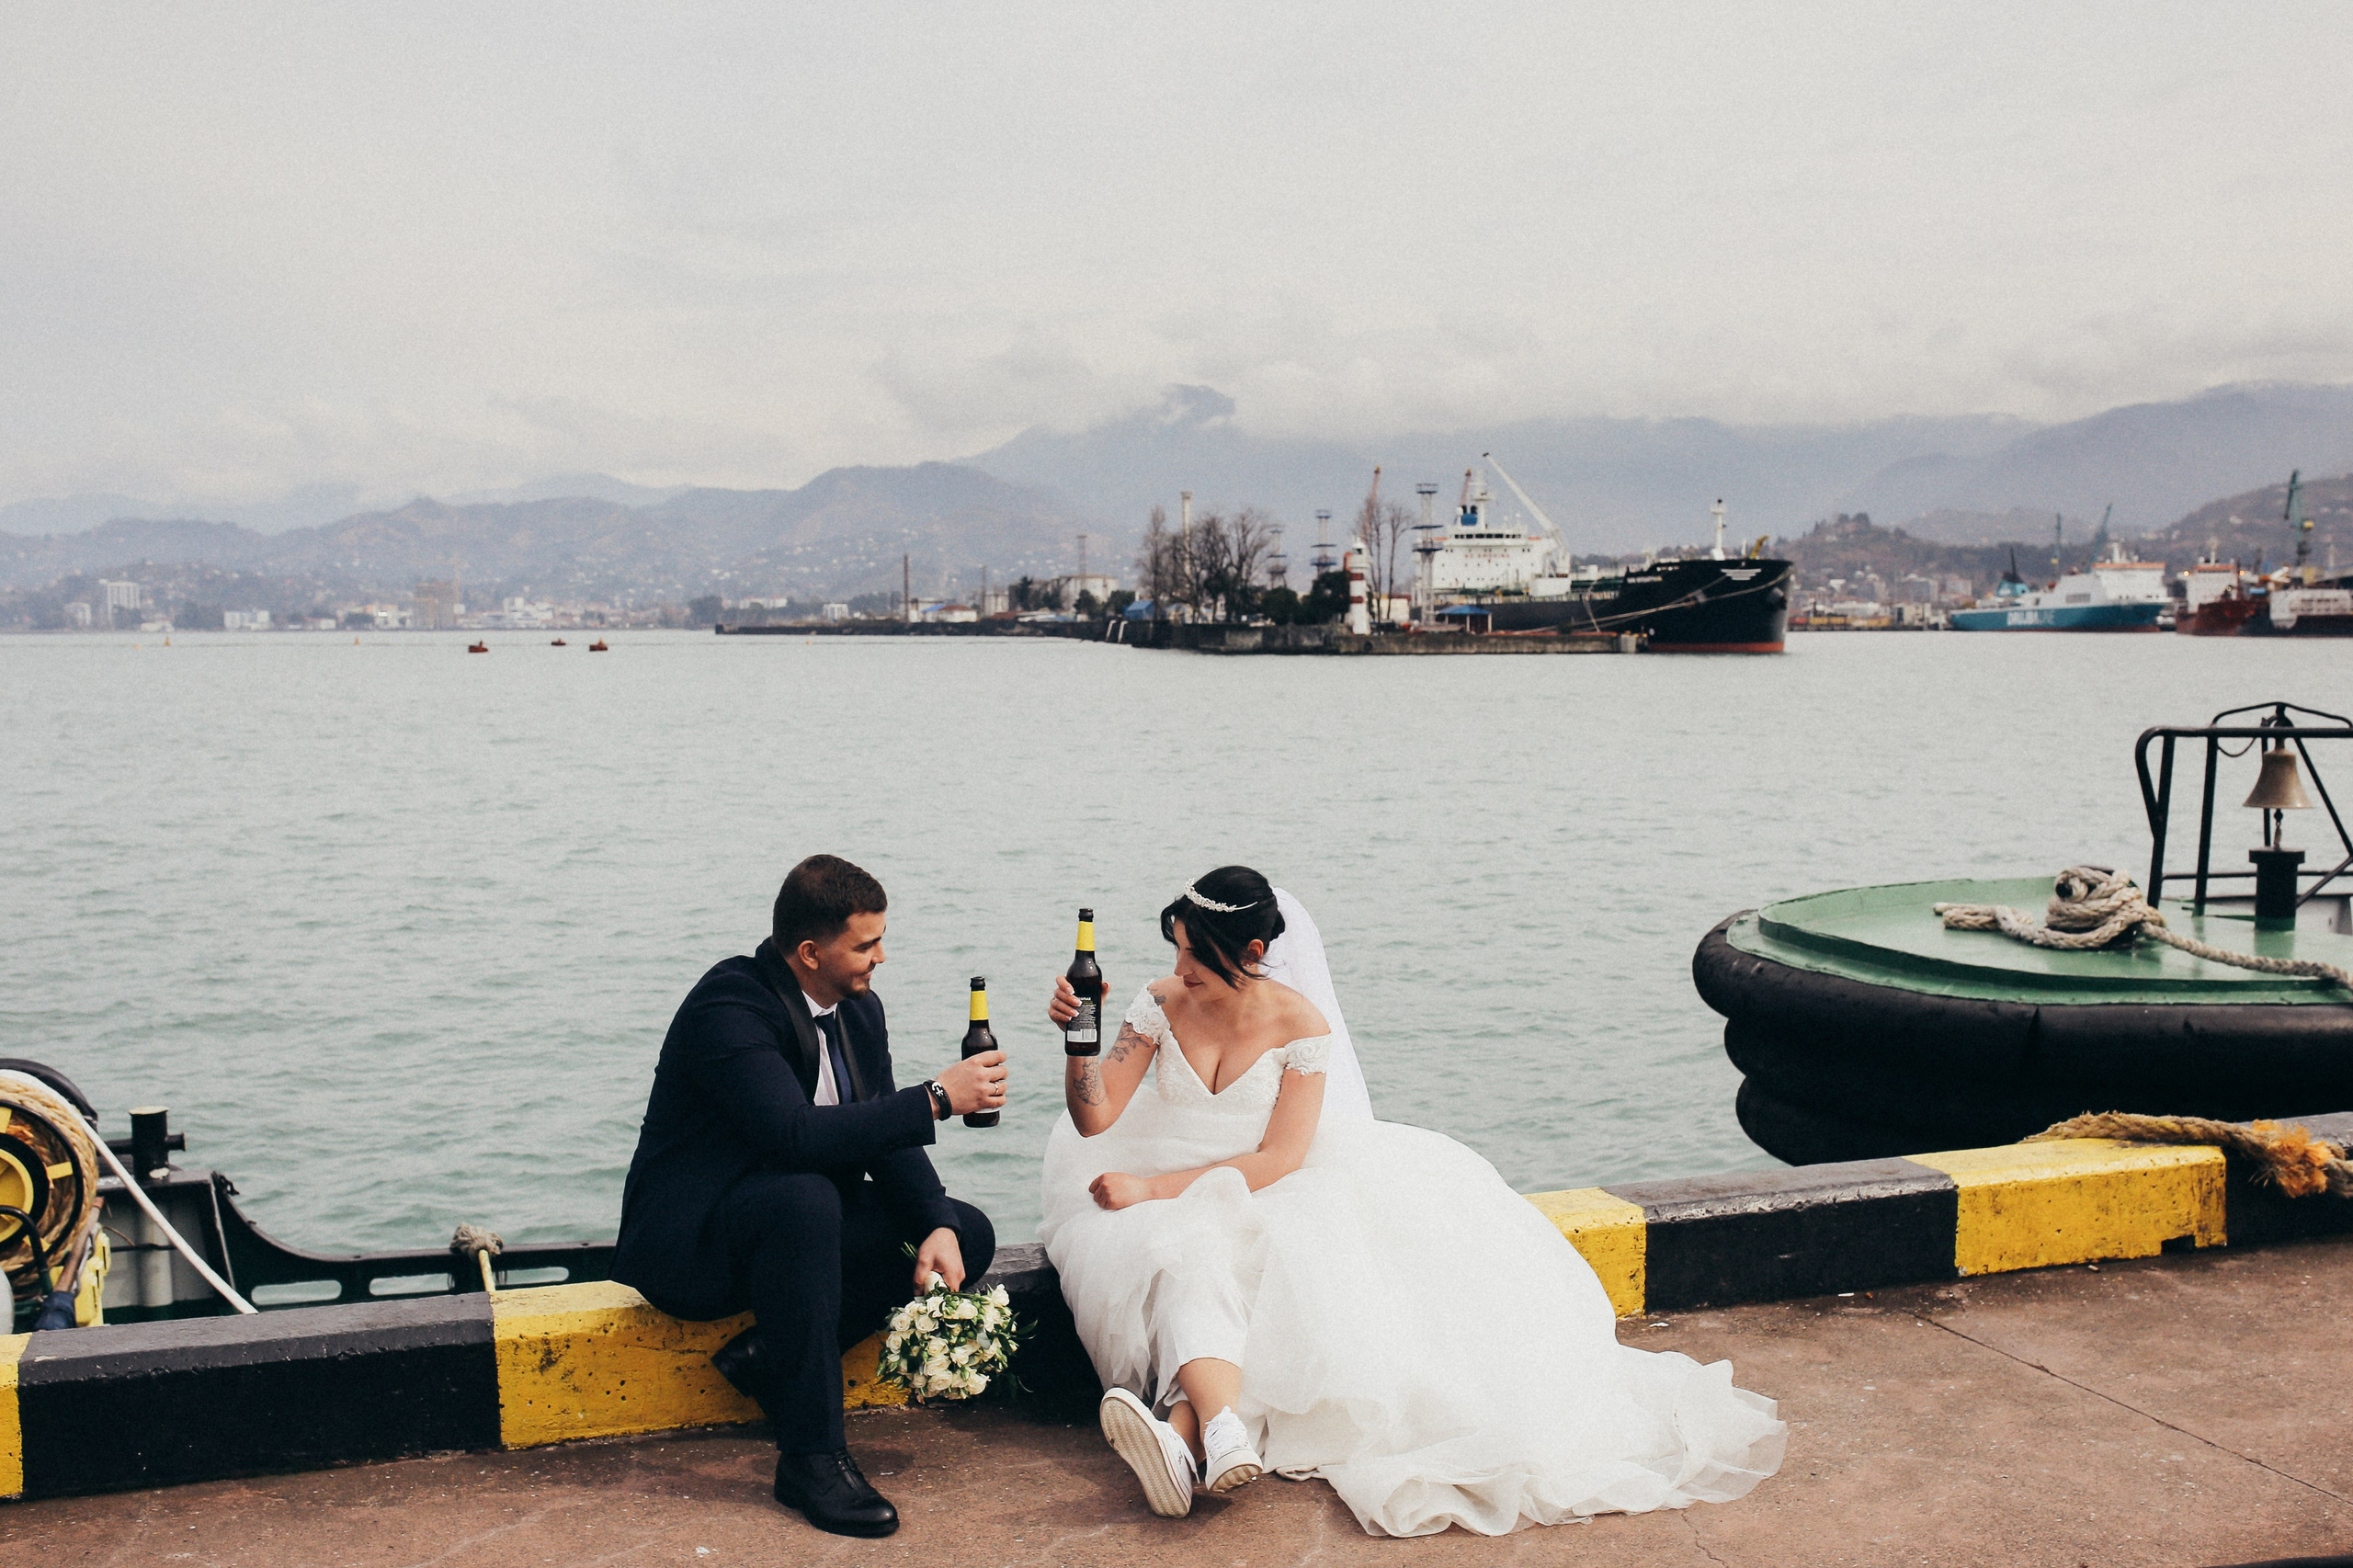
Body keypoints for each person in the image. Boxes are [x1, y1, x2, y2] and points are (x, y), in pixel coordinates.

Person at [1040, 866, 1786, 1537]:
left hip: (1262, 1184)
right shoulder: (1159, 1002)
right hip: (1168, 1173)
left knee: (1210, 1248)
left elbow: (1279, 1158)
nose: (1180, 969)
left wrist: (1153, 1191)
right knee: (1193, 1249)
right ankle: (1219, 1432)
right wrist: (1081, 1039)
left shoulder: (1301, 1026)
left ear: (1254, 952)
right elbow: (1094, 1117)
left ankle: (1185, 1434)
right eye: (1176, 949)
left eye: (1196, 955)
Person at [614, 854, 1006, 1539]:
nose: (881, 957)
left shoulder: (860, 1010)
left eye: (881, 939)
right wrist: (937, 1098)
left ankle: (771, 1362)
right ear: (809, 952)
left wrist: (936, 1221)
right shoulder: (729, 1006)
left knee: (963, 1233)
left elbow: (880, 1132)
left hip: (796, 1231)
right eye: (865, 945)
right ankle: (811, 1459)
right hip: (697, 1245)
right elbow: (791, 1135)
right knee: (804, 1197)